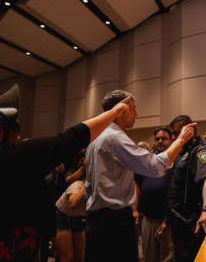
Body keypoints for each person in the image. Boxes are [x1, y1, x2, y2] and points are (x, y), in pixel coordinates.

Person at [0, 84, 132, 262]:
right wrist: (114, 113)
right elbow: (70, 139)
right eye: (16, 130)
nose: (18, 136)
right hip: (15, 244)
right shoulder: (15, 155)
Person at [84, 90, 196, 262]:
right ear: (122, 109)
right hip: (113, 223)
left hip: (95, 220)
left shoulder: (97, 136)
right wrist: (181, 140)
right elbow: (155, 166)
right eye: (134, 108)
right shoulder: (115, 137)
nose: (137, 113)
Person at [168, 115, 206, 262]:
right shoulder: (184, 152)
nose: (173, 137)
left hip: (193, 222)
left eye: (176, 132)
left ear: (190, 131)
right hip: (179, 221)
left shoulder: (202, 151)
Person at [135, 127, 175, 262]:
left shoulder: (177, 162)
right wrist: (135, 210)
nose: (160, 141)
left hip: (167, 221)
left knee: (167, 258)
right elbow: (138, 183)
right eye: (157, 139)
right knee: (149, 257)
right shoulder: (149, 161)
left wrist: (167, 220)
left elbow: (178, 195)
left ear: (172, 140)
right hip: (148, 219)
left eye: (164, 138)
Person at [55, 168, 87, 262]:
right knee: (67, 258)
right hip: (62, 217)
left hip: (79, 218)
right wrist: (88, 184)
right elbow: (73, 203)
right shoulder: (77, 185)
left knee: (79, 258)